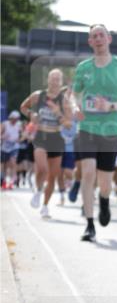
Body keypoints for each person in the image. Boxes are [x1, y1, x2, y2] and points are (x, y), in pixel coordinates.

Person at [72, 24, 117, 242]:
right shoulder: (83, 67)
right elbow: (74, 94)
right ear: (90, 42)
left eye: (101, 35)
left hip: (110, 129)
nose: (98, 39)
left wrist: (110, 106)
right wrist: (75, 107)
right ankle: (89, 224)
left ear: (109, 38)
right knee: (88, 173)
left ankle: (105, 200)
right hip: (87, 128)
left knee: (105, 182)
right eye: (93, 36)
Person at [20, 69, 73, 218]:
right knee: (42, 169)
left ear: (61, 82)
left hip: (56, 137)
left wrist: (58, 113)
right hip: (41, 136)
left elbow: (69, 124)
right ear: (48, 80)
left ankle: (45, 206)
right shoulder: (38, 96)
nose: (55, 82)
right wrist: (32, 114)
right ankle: (38, 191)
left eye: (58, 79)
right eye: (52, 78)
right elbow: (23, 107)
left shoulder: (64, 101)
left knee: (53, 177)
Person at [1, 111, 22, 189]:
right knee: (4, 165)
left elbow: (22, 134)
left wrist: (19, 139)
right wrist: (3, 137)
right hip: (5, 146)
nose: (15, 121)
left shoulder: (18, 125)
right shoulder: (5, 124)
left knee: (13, 161)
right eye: (14, 119)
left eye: (16, 119)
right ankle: (3, 180)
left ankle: (13, 179)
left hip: (14, 146)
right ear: (11, 118)